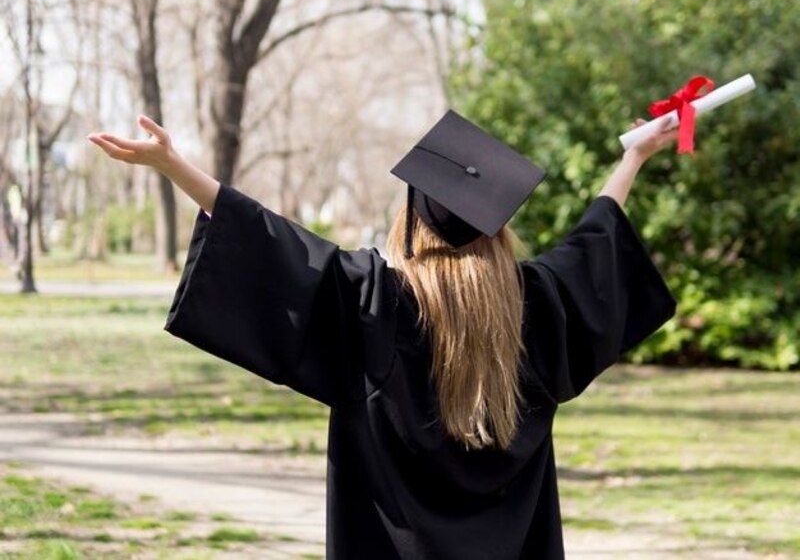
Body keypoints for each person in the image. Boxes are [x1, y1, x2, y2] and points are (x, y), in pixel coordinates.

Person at [88, 109, 678, 560]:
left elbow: (271, 241)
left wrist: (173, 166)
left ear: (412, 219)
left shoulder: (370, 301)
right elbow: (594, 244)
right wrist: (633, 160)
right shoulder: (535, 307)